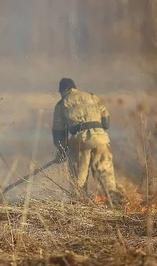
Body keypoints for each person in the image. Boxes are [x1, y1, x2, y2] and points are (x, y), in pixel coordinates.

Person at [51, 78, 123, 207]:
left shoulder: (61, 104)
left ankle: (79, 207)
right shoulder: (92, 96)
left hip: (80, 142)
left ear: (62, 90)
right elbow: (106, 120)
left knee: (78, 180)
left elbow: (59, 132)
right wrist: (98, 132)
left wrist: (61, 151)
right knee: (105, 175)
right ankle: (115, 205)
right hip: (102, 140)